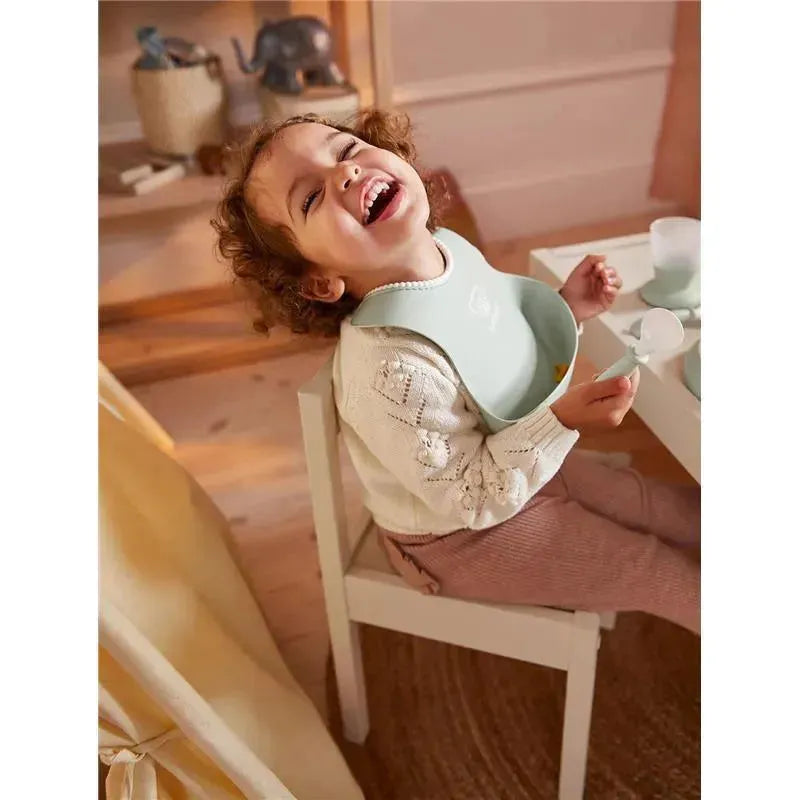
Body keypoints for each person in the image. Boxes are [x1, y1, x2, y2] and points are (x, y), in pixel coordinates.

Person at [213, 110, 700, 635]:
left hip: (506, 453)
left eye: (347, 150)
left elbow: (493, 349)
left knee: (652, 502)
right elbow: (472, 497)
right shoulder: (388, 370)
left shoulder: (448, 250)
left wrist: (566, 309)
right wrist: (560, 422)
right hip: (457, 537)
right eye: (310, 198)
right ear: (319, 281)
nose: (345, 174)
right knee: (649, 567)